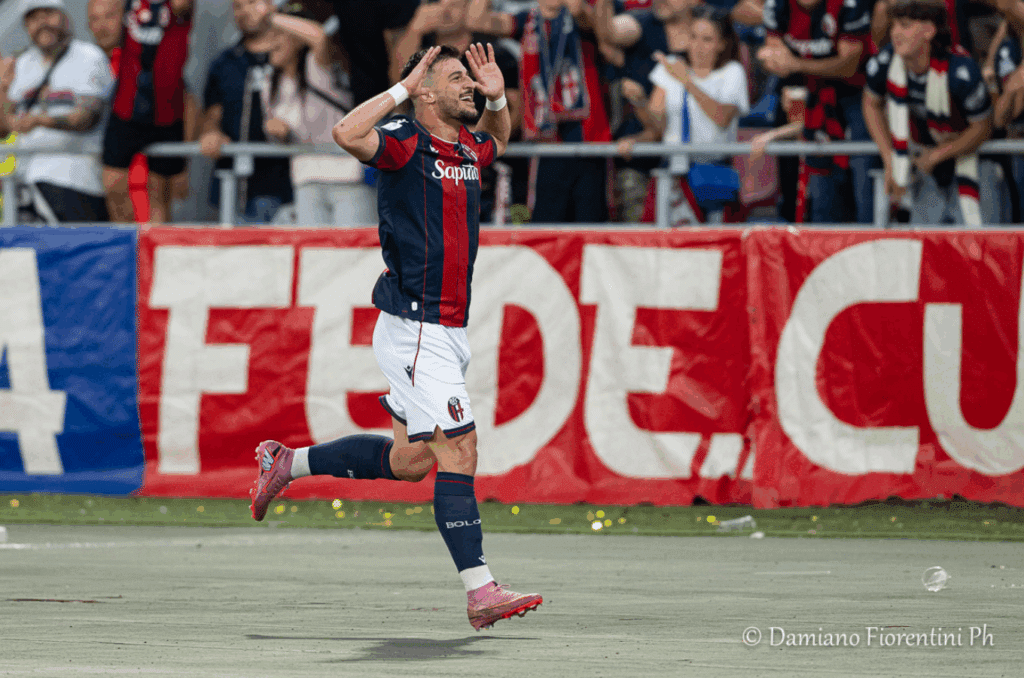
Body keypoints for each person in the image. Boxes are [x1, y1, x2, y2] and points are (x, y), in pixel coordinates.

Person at [250, 43, 543, 631]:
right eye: (456, 77)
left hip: (446, 329)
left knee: (411, 462)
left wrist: (497, 98)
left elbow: (501, 140)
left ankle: (288, 462)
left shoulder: (466, 145)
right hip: (416, 327)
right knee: (460, 450)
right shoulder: (405, 140)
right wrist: (402, 88)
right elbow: (345, 132)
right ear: (425, 91)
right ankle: (481, 591)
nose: (469, 85)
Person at [468, 0, 613, 223]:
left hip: (588, 140)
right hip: (545, 140)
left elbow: (587, 18)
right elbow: (475, 20)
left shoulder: (580, 15)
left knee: (591, 227)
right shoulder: (527, 20)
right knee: (547, 225)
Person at [863, 0, 995, 225]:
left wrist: (938, 155)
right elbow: (870, 102)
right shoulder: (886, 62)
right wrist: (890, 159)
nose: (895, 33)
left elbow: (983, 127)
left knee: (979, 241)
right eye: (893, 25)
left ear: (929, 30)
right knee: (923, 241)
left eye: (905, 25)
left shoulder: (961, 71)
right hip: (925, 166)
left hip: (974, 163)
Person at [394, 0, 524, 221]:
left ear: (468, 8)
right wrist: (414, 29)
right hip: (428, 167)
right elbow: (398, 89)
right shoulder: (419, 52)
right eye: (438, 3)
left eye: (454, 4)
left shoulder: (492, 54)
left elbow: (517, 111)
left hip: (486, 169)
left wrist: (481, 140)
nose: (445, 10)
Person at [619, 5, 749, 223]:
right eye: (693, 37)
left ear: (721, 44)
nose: (697, 46)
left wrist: (687, 81)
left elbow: (722, 118)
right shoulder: (670, 67)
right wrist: (640, 102)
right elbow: (657, 128)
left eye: (707, 40)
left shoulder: (732, 72)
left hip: (712, 176)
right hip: (674, 175)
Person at [759, 0, 874, 224]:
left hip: (860, 96)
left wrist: (796, 65)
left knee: (864, 182)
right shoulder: (776, 6)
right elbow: (774, 56)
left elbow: (849, 66)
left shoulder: (849, 4)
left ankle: (872, 236)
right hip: (814, 95)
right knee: (822, 190)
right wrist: (776, 63)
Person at [0, 0, 112, 223]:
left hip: (77, 183)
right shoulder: (22, 63)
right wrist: (2, 88)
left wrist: (39, 121)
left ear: (64, 16)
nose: (42, 22)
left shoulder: (89, 56)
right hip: (26, 184)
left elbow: (87, 118)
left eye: (48, 13)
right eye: (33, 18)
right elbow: (3, 129)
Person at [101, 0, 195, 224]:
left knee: (158, 192)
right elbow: (106, 34)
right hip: (126, 107)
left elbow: (183, 5)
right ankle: (129, 240)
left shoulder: (176, 8)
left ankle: (153, 243)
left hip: (165, 113)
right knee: (113, 184)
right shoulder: (130, 5)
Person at [200, 0, 293, 223]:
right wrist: (211, 133)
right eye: (238, 6)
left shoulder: (291, 58)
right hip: (232, 185)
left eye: (252, 2)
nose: (244, 11)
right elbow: (212, 114)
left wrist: (289, 128)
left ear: (272, 5)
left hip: (285, 188)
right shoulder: (224, 63)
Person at [88, 0, 151, 222]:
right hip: (88, 182)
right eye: (94, 19)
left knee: (141, 241)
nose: (102, 26)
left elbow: (185, 102)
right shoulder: (83, 64)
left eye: (109, 16)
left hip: (136, 181)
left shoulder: (143, 58)